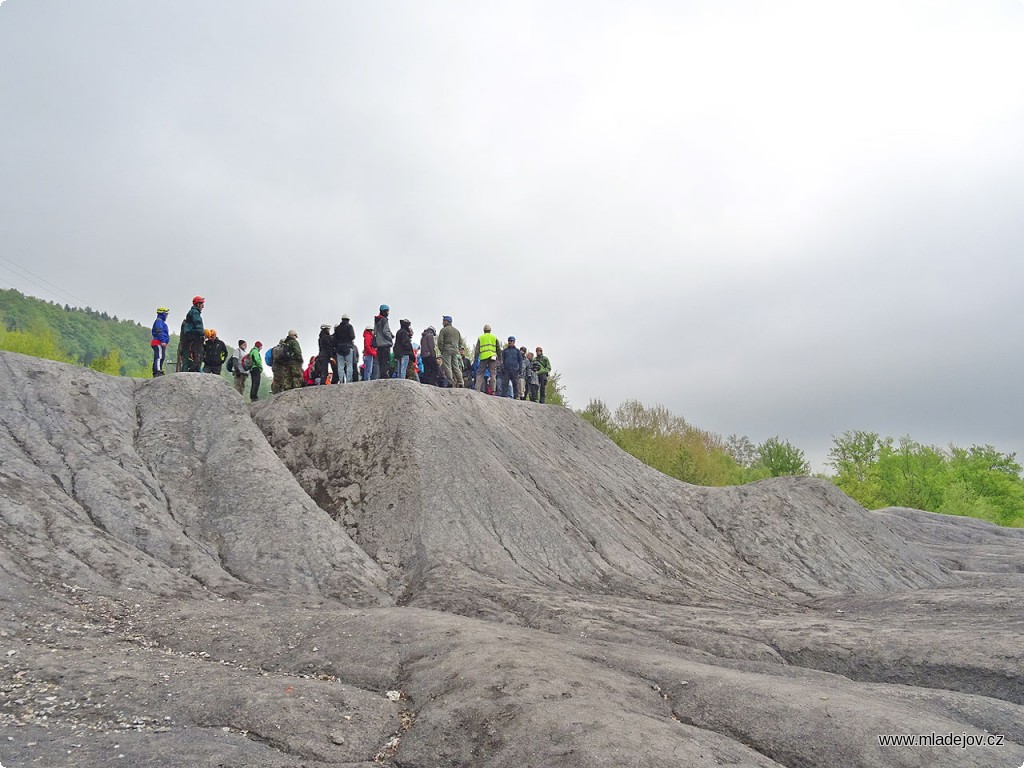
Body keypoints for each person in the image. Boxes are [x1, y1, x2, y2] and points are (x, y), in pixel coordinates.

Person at [436, 315, 465, 388]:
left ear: (446, 322)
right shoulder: (456, 331)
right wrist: (457, 349)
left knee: (447, 366)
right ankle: (461, 382)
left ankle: (450, 382)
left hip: (446, 350)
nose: (442, 323)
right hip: (455, 351)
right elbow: (461, 342)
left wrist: (442, 349)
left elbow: (440, 341)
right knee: (456, 367)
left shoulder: (444, 330)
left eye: (443, 321)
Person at [180, 296, 205, 372]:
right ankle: (191, 372)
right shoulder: (195, 312)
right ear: (198, 304)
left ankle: (189, 371)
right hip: (193, 337)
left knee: (190, 357)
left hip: (189, 337)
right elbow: (198, 324)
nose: (203, 306)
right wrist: (202, 334)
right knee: (194, 356)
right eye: (202, 304)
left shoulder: (193, 312)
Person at [474, 324, 500, 394]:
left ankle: (477, 389)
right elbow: (498, 349)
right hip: (493, 357)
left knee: (480, 373)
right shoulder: (494, 337)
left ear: (484, 330)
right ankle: (493, 390)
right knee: (493, 373)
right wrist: (500, 358)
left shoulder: (481, 337)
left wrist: (476, 358)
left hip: (484, 357)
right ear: (490, 330)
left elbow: (477, 349)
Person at [372, 305, 394, 380]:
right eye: (387, 311)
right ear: (384, 311)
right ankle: (384, 375)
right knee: (385, 360)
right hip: (385, 343)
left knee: (380, 361)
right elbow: (385, 331)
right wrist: (390, 337)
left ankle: (381, 375)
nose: (388, 313)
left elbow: (375, 331)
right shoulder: (384, 320)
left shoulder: (376, 320)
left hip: (379, 344)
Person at [334, 314, 357, 383]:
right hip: (348, 347)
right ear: (348, 320)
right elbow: (352, 336)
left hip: (339, 348)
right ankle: (349, 380)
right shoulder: (350, 327)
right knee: (349, 365)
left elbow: (335, 338)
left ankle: (341, 380)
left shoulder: (337, 328)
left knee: (340, 366)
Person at [151, 307, 170, 377]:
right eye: (166, 314)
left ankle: (159, 369)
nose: (167, 316)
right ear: (163, 314)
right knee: (159, 356)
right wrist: (163, 340)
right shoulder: (159, 321)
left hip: (161, 342)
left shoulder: (161, 322)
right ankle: (157, 371)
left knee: (162, 356)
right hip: (158, 342)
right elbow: (159, 331)